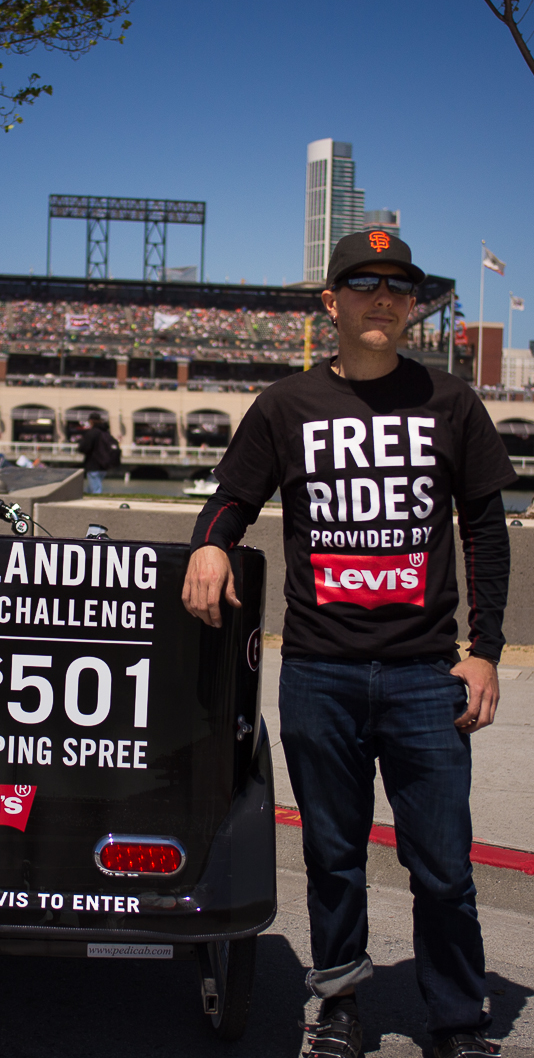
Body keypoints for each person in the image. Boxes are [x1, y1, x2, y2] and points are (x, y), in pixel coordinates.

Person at [182, 231, 514, 1058]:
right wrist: (209, 544)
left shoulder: (451, 402)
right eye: (363, 284)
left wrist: (484, 649)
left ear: (414, 306)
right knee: (332, 858)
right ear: (331, 304)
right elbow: (232, 499)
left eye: (400, 288)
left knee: (441, 865)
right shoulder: (287, 405)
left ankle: (456, 1017)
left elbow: (484, 530)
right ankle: (337, 1007)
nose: (383, 298)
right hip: (320, 674)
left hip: (423, 675)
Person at [77, 415, 113, 494]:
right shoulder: (106, 432)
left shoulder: (93, 432)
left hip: (94, 463)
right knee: (92, 487)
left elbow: (85, 447)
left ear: (91, 421)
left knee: (96, 489)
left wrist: (80, 444)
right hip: (104, 464)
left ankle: (97, 504)